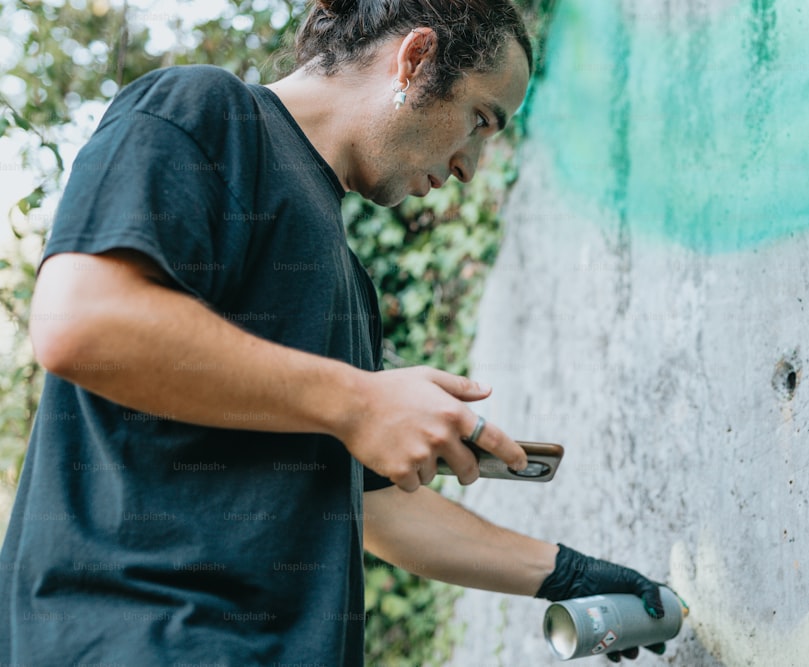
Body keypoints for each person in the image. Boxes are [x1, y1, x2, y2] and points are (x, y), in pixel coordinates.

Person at [0, 1, 670, 664]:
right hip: (137, 637)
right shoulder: (205, 113)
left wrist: (568, 573)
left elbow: (374, 508)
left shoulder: (350, 285)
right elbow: (79, 320)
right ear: (416, 59)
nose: (471, 165)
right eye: (480, 119)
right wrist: (359, 401)